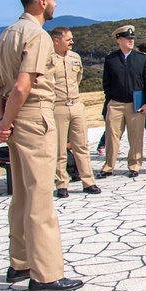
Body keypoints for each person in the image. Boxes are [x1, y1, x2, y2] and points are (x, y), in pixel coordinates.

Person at [0, 0, 83, 291]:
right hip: (34, 118)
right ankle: (45, 275)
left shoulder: (6, 35)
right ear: (42, 2)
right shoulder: (37, 36)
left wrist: (2, 121)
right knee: (40, 197)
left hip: (14, 121)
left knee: (22, 197)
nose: (55, 3)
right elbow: (22, 87)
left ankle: (21, 262)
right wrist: (6, 122)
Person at [99, 25, 146, 179]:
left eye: (132, 38)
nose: (131, 41)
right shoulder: (111, 59)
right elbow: (106, 83)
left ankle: (134, 166)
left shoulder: (142, 59)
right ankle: (108, 167)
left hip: (136, 104)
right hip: (116, 103)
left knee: (136, 137)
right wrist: (109, 100)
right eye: (127, 38)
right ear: (119, 40)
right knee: (112, 137)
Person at [49, 26, 98, 199]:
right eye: (68, 39)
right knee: (59, 148)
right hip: (58, 106)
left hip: (75, 105)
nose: (72, 42)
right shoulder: (48, 58)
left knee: (81, 146)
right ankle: (62, 184)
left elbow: (78, 79)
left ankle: (88, 181)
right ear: (56, 40)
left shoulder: (75, 57)